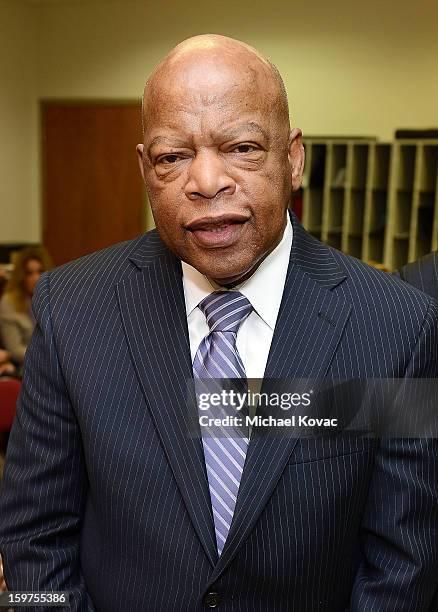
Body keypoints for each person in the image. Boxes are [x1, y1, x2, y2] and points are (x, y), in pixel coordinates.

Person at [0, 35, 437, 612]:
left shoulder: (396, 324)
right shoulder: (73, 307)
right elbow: (33, 538)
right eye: (172, 157)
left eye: (242, 148)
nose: (206, 182)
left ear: (294, 158)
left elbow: (403, 567)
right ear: (144, 169)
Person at [0, 246, 51, 367]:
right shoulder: (8, 302)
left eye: (40, 271)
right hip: (28, 366)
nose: (36, 278)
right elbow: (14, 349)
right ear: (21, 276)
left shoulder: (52, 298)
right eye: (29, 273)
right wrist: (45, 360)